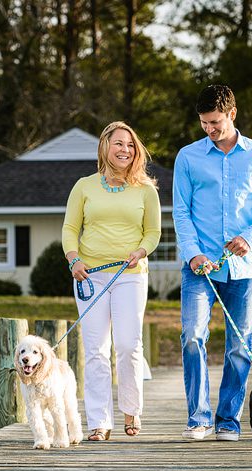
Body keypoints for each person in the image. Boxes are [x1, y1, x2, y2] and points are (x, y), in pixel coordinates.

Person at [173, 84, 252, 442]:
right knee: (192, 336)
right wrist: (193, 253)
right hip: (199, 268)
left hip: (243, 269)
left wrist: (251, 236)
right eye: (205, 122)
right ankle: (198, 418)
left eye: (216, 122)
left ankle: (228, 420)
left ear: (232, 114)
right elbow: (180, 211)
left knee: (240, 346)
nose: (210, 128)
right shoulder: (188, 157)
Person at [63, 120, 161, 441]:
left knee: (129, 346)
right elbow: (69, 229)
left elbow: (154, 232)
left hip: (130, 275)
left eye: (130, 145)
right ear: (105, 146)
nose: (125, 150)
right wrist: (74, 259)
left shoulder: (146, 190)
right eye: (119, 143)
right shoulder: (84, 186)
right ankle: (99, 422)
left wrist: (142, 250)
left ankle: (132, 414)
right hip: (90, 275)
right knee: (95, 349)